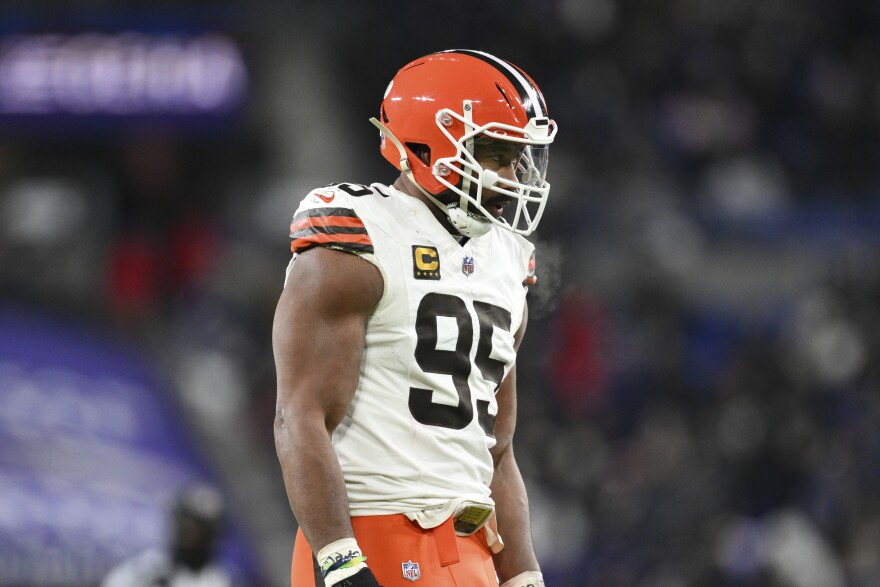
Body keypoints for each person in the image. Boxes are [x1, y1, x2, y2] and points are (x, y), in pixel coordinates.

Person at [273, 49, 557, 587]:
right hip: (372, 534)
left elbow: (497, 450)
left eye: (520, 156)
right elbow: (300, 417)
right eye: (497, 151)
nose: (512, 173)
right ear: (429, 141)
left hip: (473, 545)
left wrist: (523, 574)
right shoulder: (359, 234)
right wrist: (338, 560)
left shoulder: (508, 259)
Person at [102, 483, 233, 587]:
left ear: (209, 535)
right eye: (181, 523)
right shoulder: (150, 563)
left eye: (192, 528)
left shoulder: (216, 581)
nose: (182, 532)